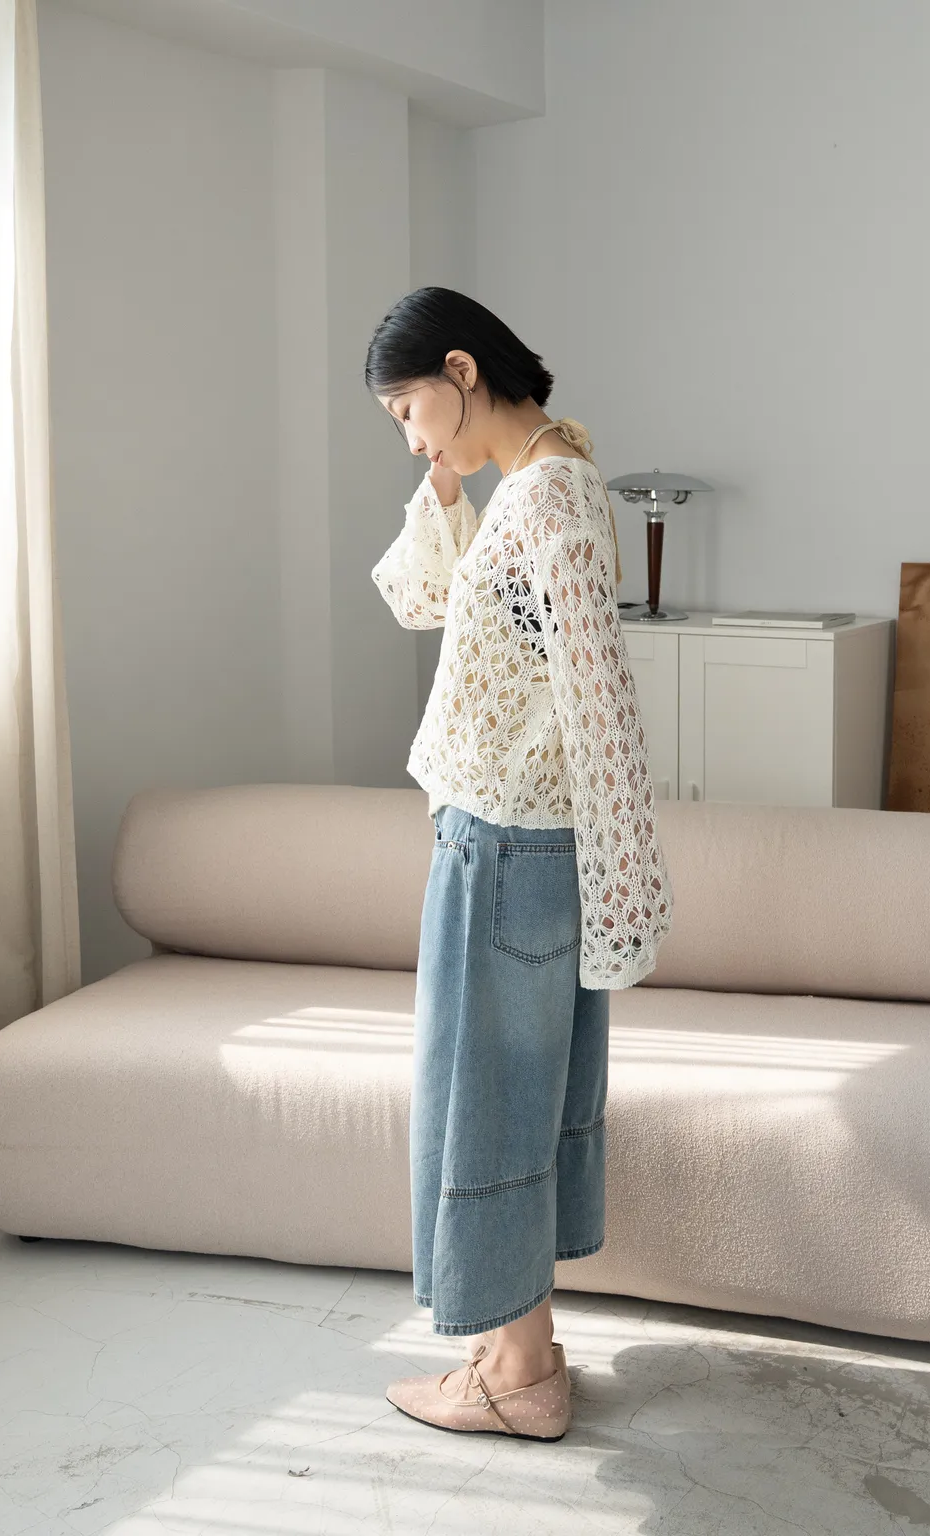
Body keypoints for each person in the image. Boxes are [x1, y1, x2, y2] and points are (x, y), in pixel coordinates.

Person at [365, 287, 674, 1441]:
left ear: (460, 370)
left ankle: (515, 1375)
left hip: (503, 847)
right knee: (511, 1102)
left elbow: (598, 694)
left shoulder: (546, 498)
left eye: (408, 411)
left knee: (484, 1104)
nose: (411, 438)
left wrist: (627, 877)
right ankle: (519, 1352)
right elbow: (420, 602)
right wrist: (445, 486)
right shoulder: (541, 484)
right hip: (517, 844)